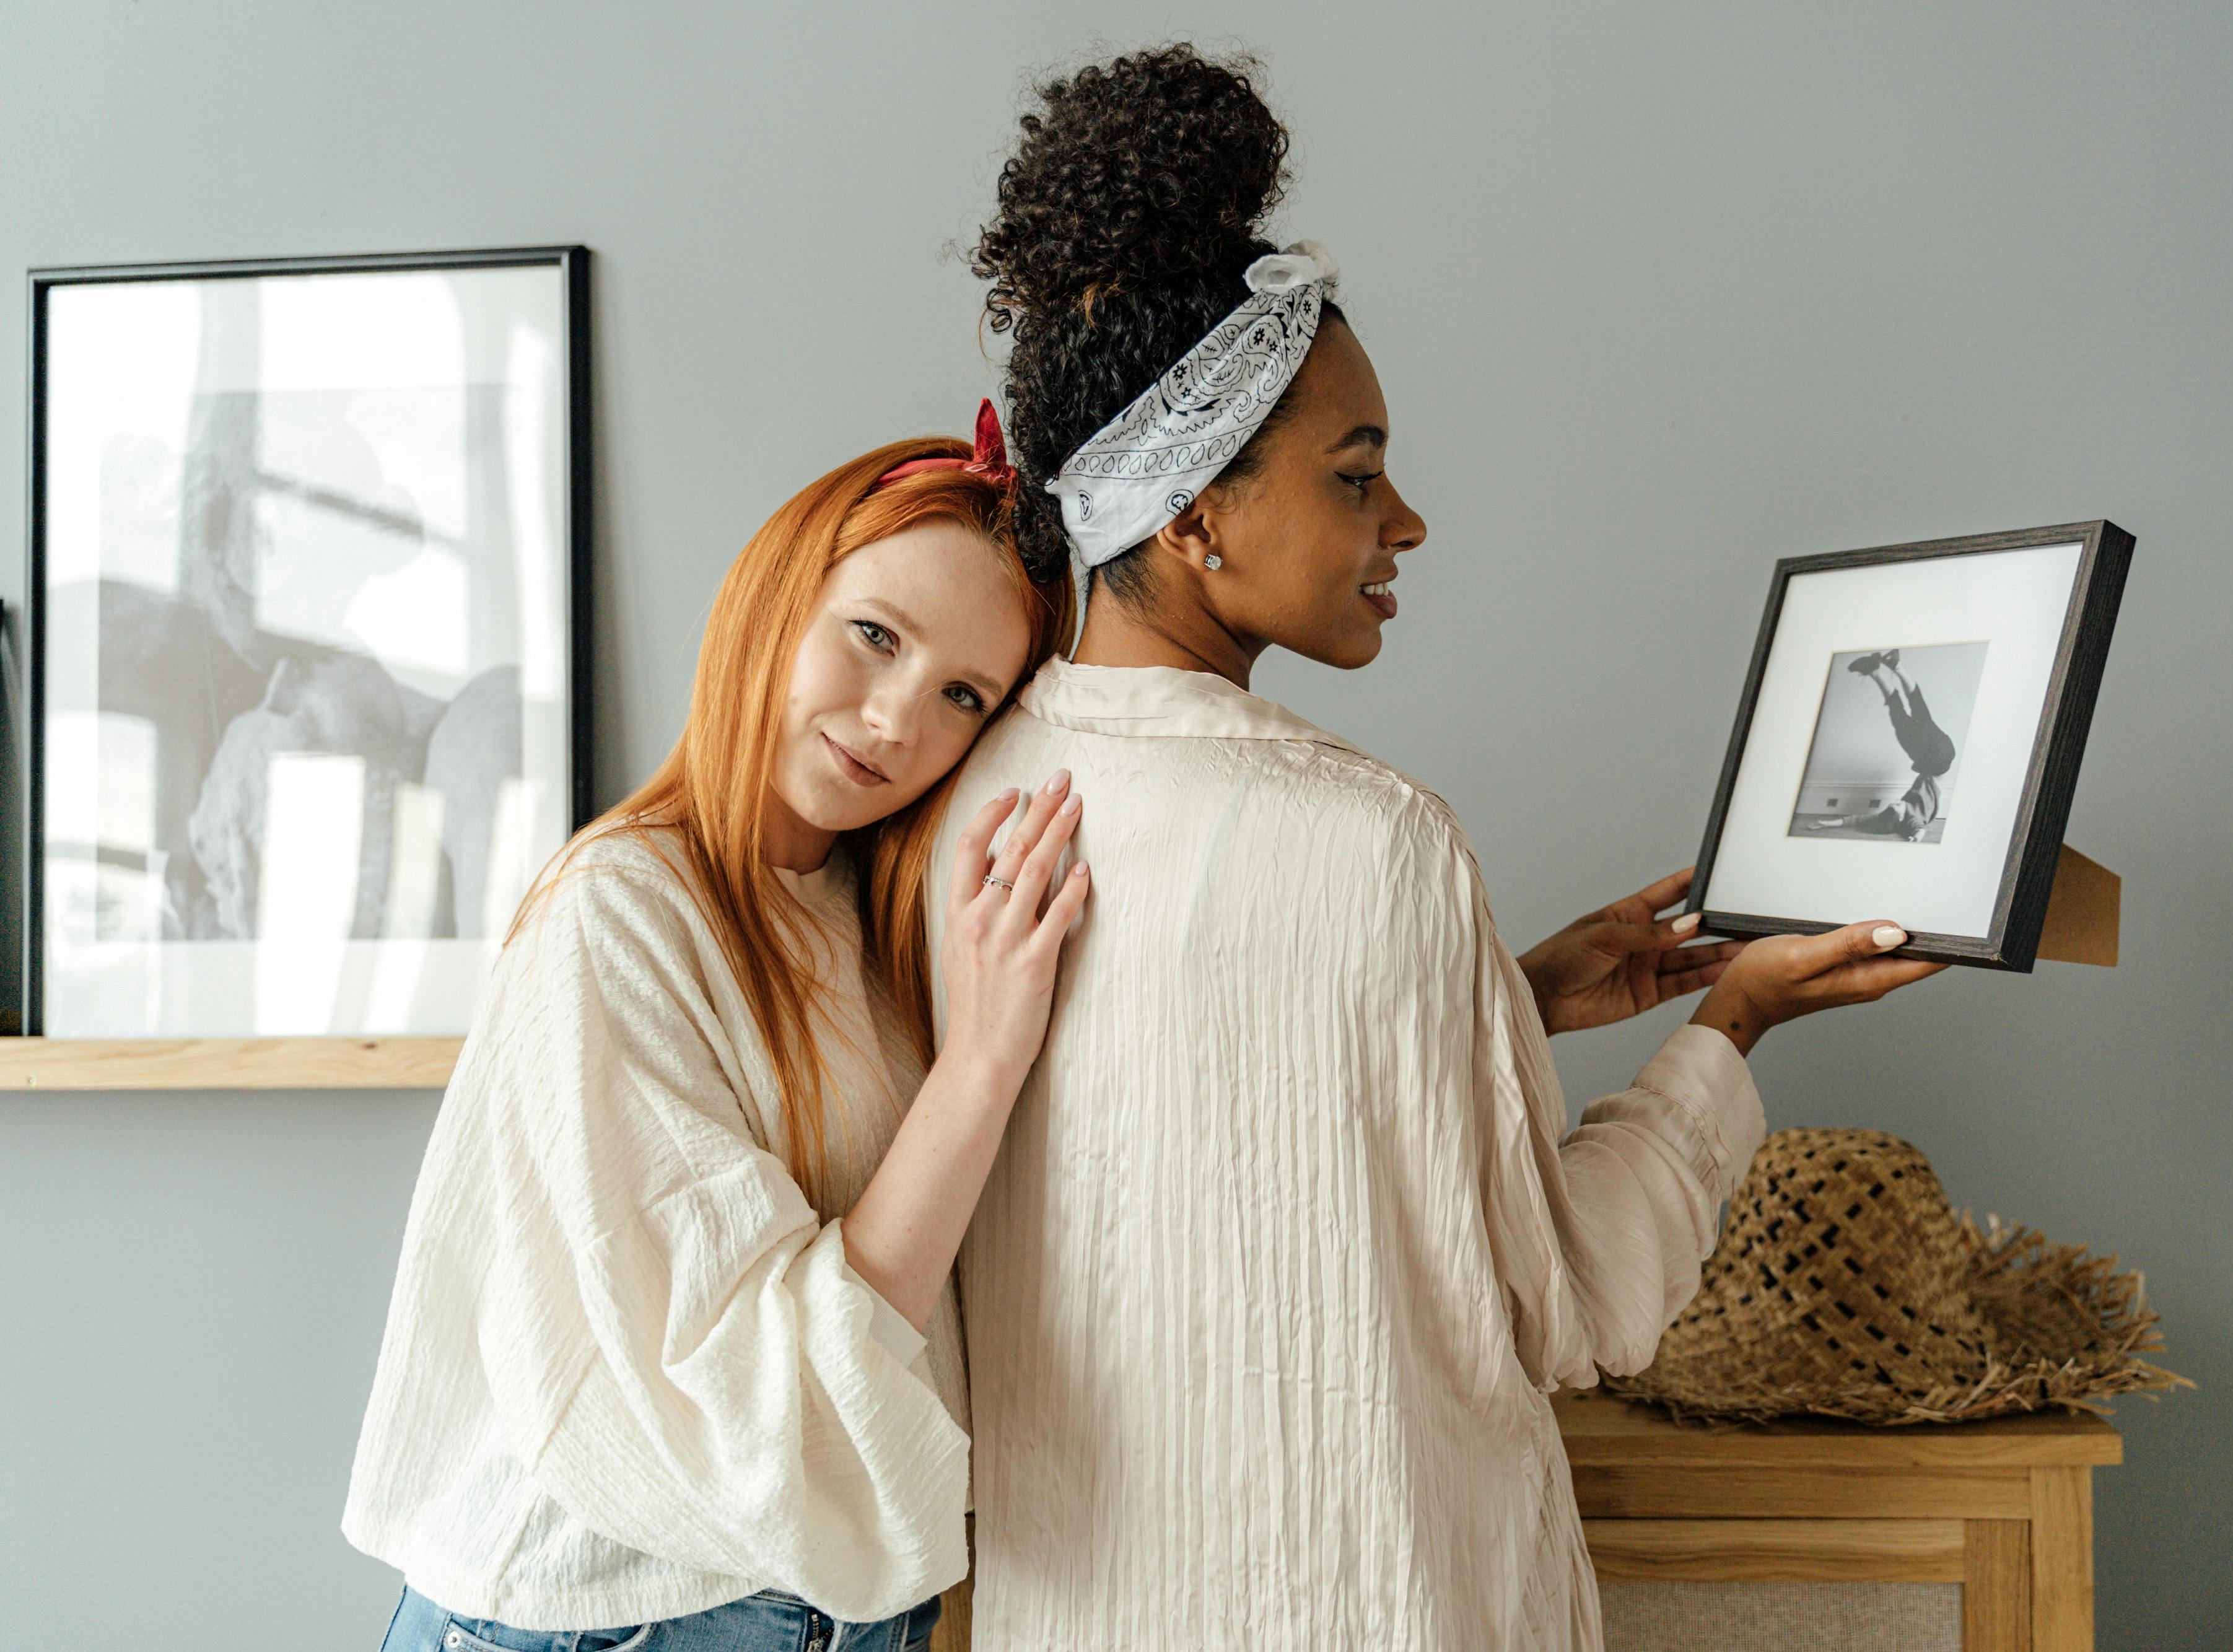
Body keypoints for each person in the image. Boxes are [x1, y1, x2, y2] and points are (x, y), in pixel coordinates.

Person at [925, 46, 1947, 1652]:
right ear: (1191, 515)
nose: (1405, 522)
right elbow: (1581, 1301)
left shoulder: (967, 802)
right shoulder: (1374, 839)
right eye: (1355, 476)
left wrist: (1504, 994)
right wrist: (1734, 1024)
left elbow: (1209, 1098)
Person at [345, 417, 1083, 1652]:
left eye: (962, 693)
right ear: (776, 599)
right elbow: (749, 1367)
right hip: (609, 1616)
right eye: (873, 635)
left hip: (822, 1606)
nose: (898, 717)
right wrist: (981, 1064)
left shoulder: (881, 921)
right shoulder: (618, 911)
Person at [1804, 649, 1958, 841]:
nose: (1896, 801)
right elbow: (1920, 829)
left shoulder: (1891, 817)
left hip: (1924, 758)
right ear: (1902, 816)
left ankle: (1875, 672)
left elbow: (1858, 820)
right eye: (1896, 806)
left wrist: (1826, 823)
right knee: (1918, 710)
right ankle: (1894, 667)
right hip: (1938, 759)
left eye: (1892, 804)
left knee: (1898, 715)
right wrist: (1916, 838)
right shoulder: (1913, 819)